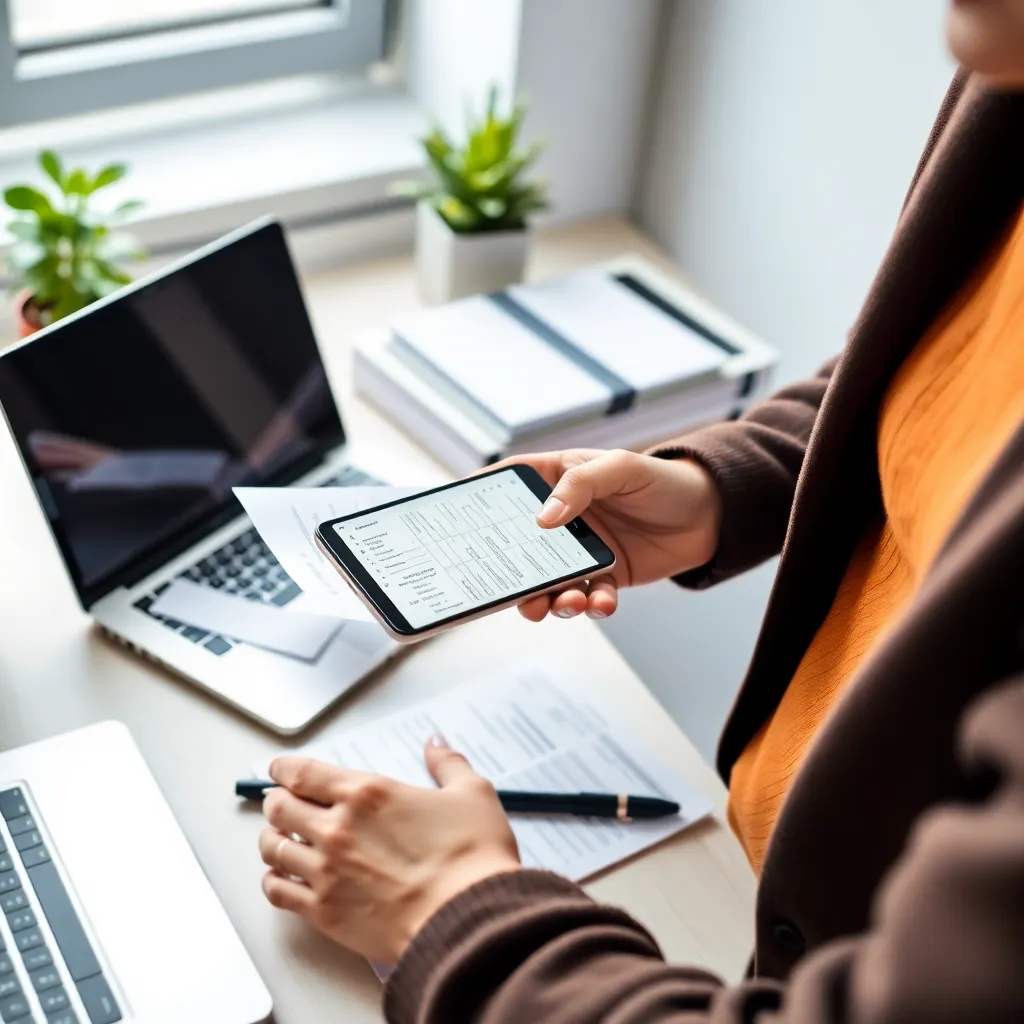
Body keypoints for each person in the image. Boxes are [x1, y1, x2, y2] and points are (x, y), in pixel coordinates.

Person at [254, 3, 1024, 1020]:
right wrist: (725, 482)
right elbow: (936, 372)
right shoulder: (1005, 74)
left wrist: (452, 911)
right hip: (790, 890)